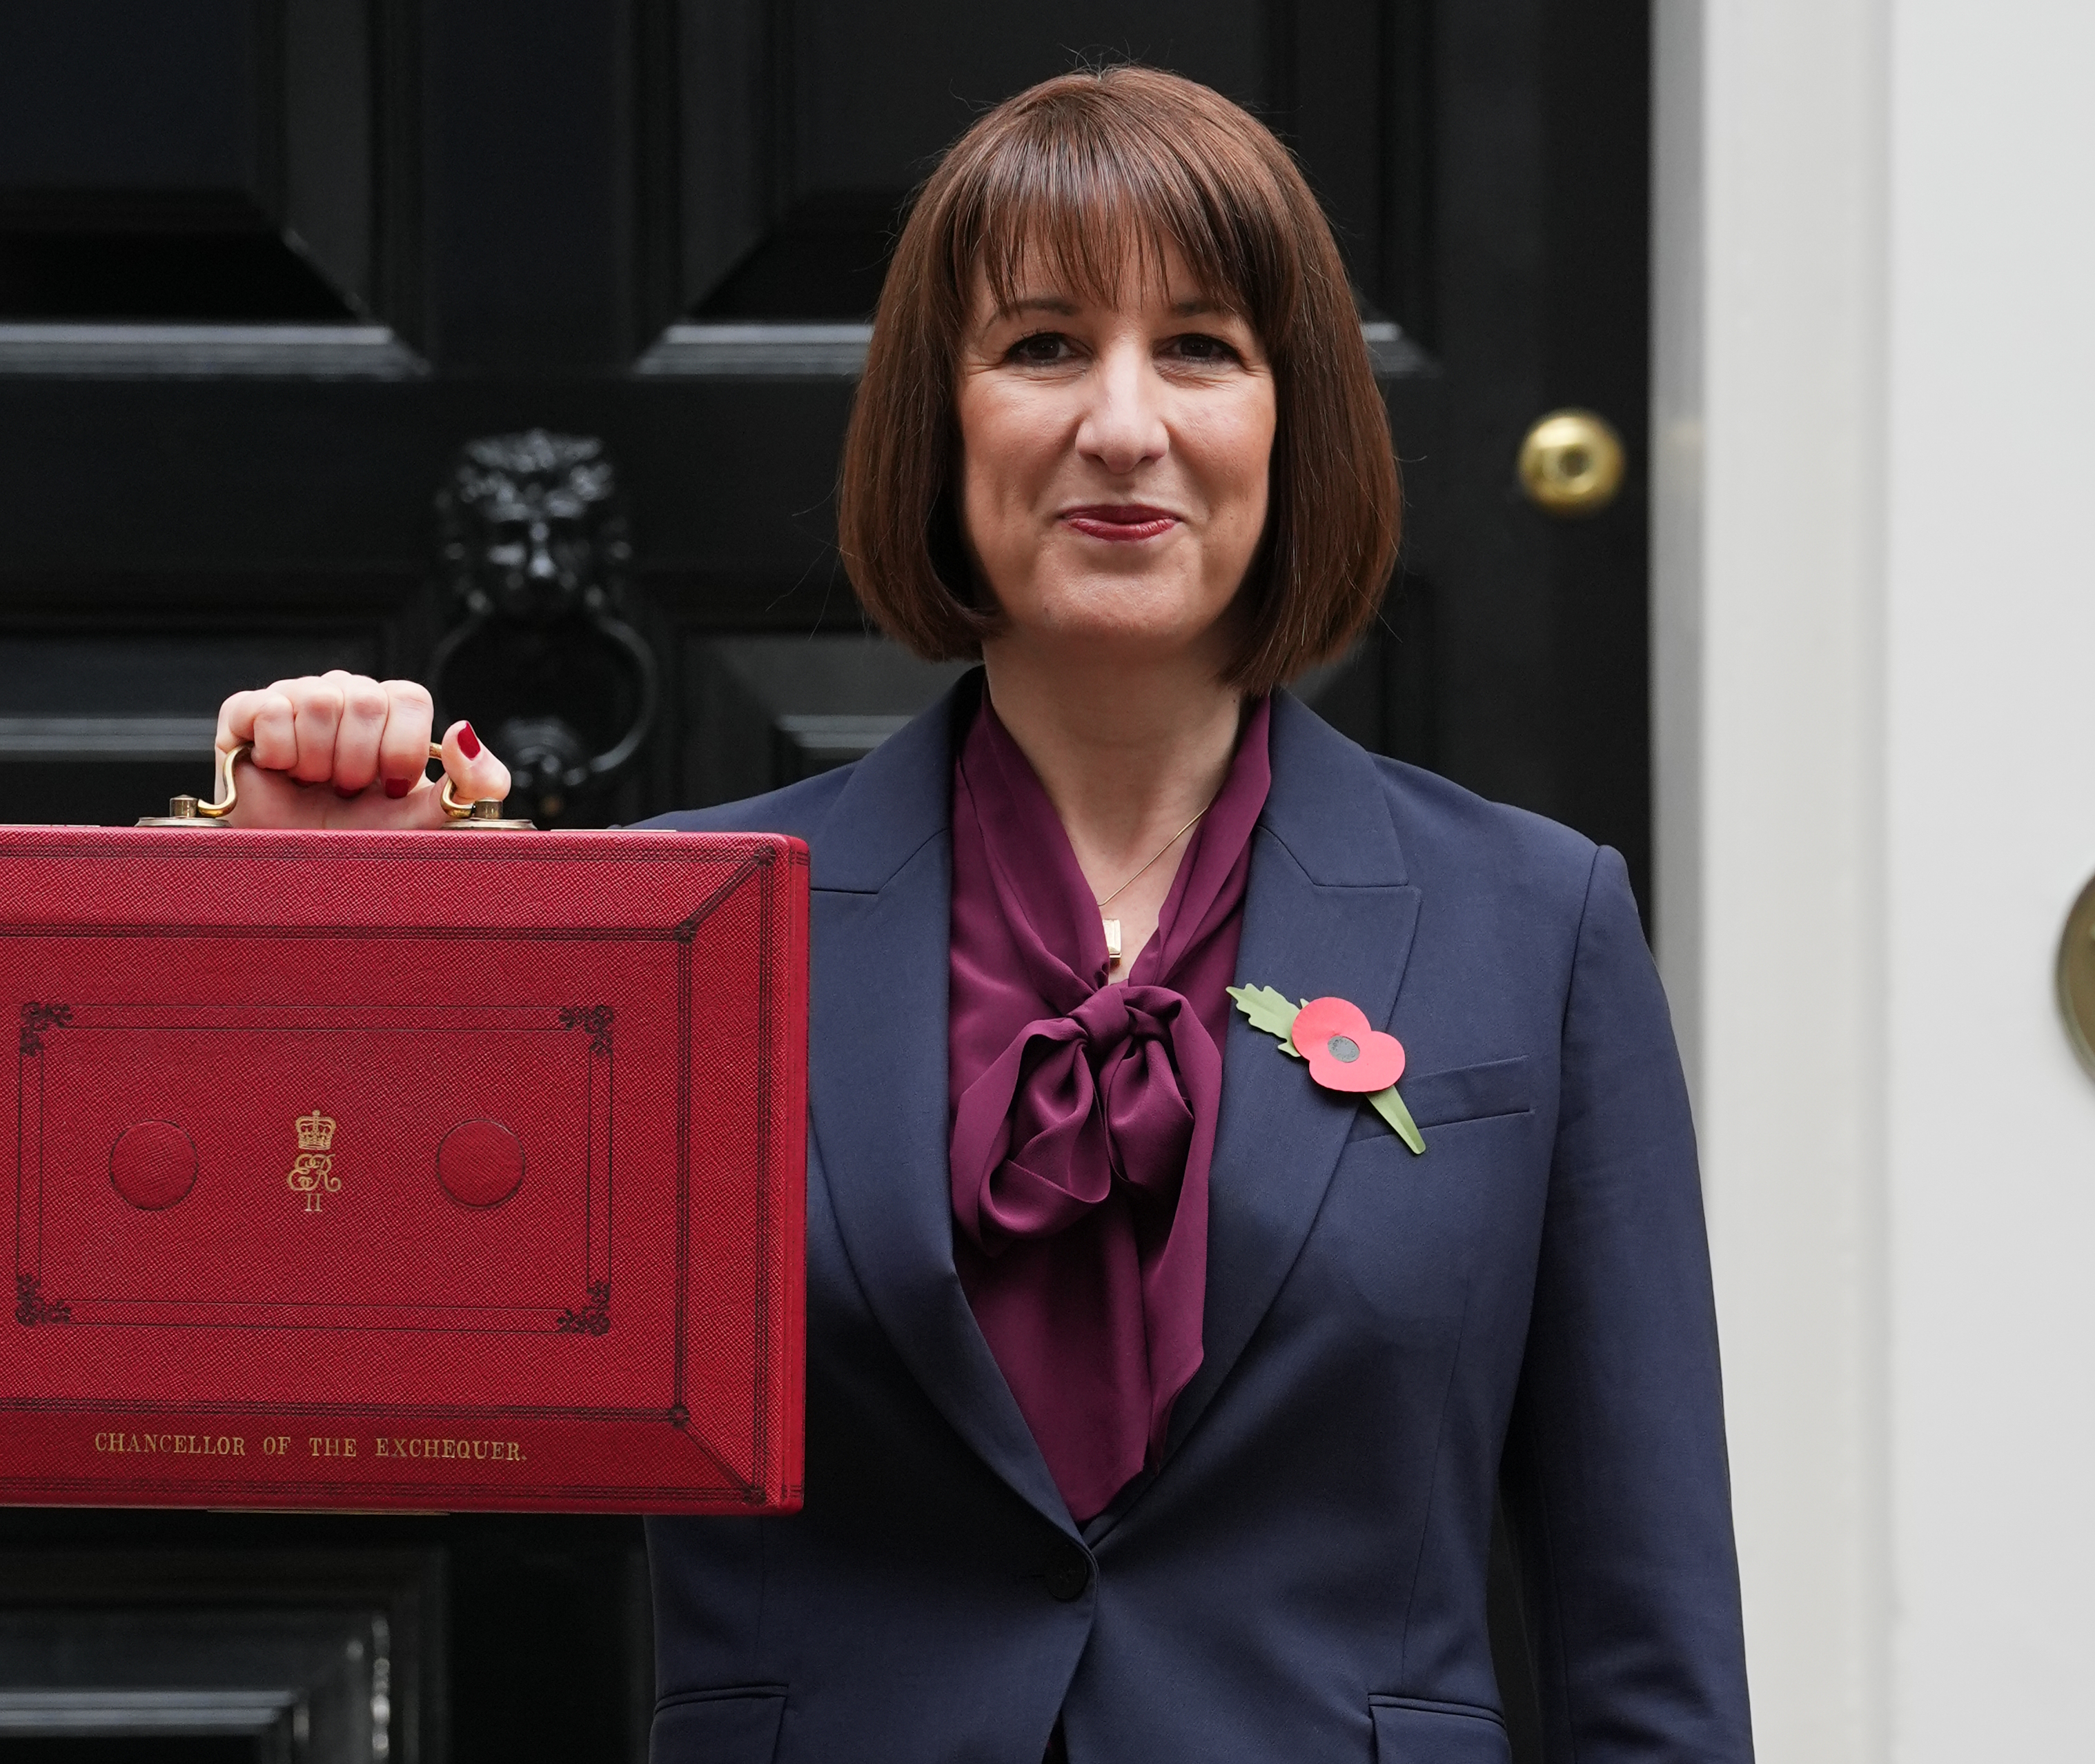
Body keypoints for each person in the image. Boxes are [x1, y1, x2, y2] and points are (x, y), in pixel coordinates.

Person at [214, 64, 1751, 1764]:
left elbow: (1649, 1652)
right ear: (936, 428)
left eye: (1200, 346)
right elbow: (327, 1357)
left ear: (1291, 415)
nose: (1121, 422)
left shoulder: (1537, 927)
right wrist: (318, 922)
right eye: (1039, 347)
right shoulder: (688, 932)